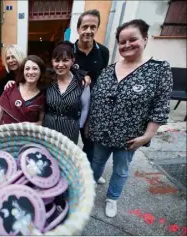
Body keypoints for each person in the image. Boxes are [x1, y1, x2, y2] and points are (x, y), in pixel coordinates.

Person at [88, 19, 173, 218]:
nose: (126, 45)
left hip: (129, 136)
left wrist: (147, 136)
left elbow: (160, 107)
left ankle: (112, 198)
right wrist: (91, 126)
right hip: (101, 131)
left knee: (121, 169)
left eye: (132, 40)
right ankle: (90, 188)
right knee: (97, 161)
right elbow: (97, 99)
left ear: (145, 39)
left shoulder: (158, 70)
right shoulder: (109, 70)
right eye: (122, 41)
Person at [74, 9, 110, 184]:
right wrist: (82, 75)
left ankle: (88, 174)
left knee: (90, 142)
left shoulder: (103, 51)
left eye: (92, 27)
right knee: (70, 141)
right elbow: (60, 70)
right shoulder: (68, 50)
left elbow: (103, 79)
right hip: (71, 104)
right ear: (78, 28)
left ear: (97, 29)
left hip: (93, 106)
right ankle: (71, 172)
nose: (88, 30)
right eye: (85, 26)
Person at [42, 41, 90, 144]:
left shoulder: (81, 82)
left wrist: (78, 126)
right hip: (49, 129)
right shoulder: (47, 80)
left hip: (70, 130)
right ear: (52, 62)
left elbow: (85, 108)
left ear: (72, 61)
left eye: (65, 60)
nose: (60, 65)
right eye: (57, 60)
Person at [0, 55, 46, 126]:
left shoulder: (43, 96)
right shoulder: (11, 87)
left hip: (26, 135)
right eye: (27, 69)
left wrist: (30, 125)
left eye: (35, 68)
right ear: (23, 71)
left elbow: (42, 121)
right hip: (5, 134)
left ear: (41, 72)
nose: (30, 72)